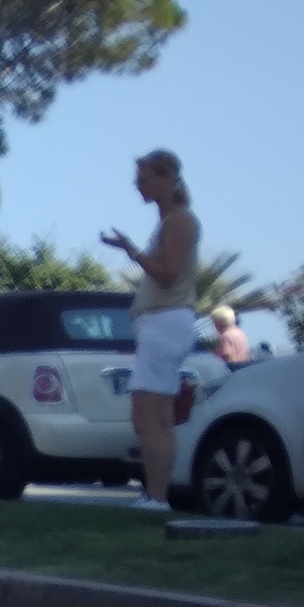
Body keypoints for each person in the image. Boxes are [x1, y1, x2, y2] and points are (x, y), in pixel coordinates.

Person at [103, 148, 200, 512]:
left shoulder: (180, 221)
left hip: (166, 321)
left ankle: (156, 497)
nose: (138, 186)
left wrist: (131, 251)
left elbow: (168, 273)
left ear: (165, 178)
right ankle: (156, 494)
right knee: (158, 416)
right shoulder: (171, 220)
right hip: (161, 323)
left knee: (147, 415)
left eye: (144, 180)